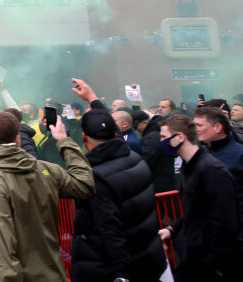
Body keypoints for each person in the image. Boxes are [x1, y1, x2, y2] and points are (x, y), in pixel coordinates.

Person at [65, 79, 165, 282]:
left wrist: (121, 275)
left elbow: (110, 230)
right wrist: (93, 99)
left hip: (108, 269)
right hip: (146, 259)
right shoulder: (133, 156)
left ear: (84, 138)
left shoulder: (97, 177)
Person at [0, 111, 95, 282]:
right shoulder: (47, 170)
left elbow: (0, 247)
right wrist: (63, 140)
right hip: (54, 274)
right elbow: (84, 184)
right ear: (17, 139)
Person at [157, 114, 238, 280]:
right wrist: (172, 228)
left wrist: (215, 264)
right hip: (194, 255)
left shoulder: (210, 170)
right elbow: (196, 211)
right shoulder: (190, 168)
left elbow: (224, 222)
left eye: (164, 137)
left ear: (180, 137)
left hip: (207, 263)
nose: (161, 142)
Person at [193, 105, 243, 236]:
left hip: (235, 233)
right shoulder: (201, 153)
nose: (196, 130)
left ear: (217, 127)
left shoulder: (239, 154)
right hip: (209, 230)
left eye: (199, 125)